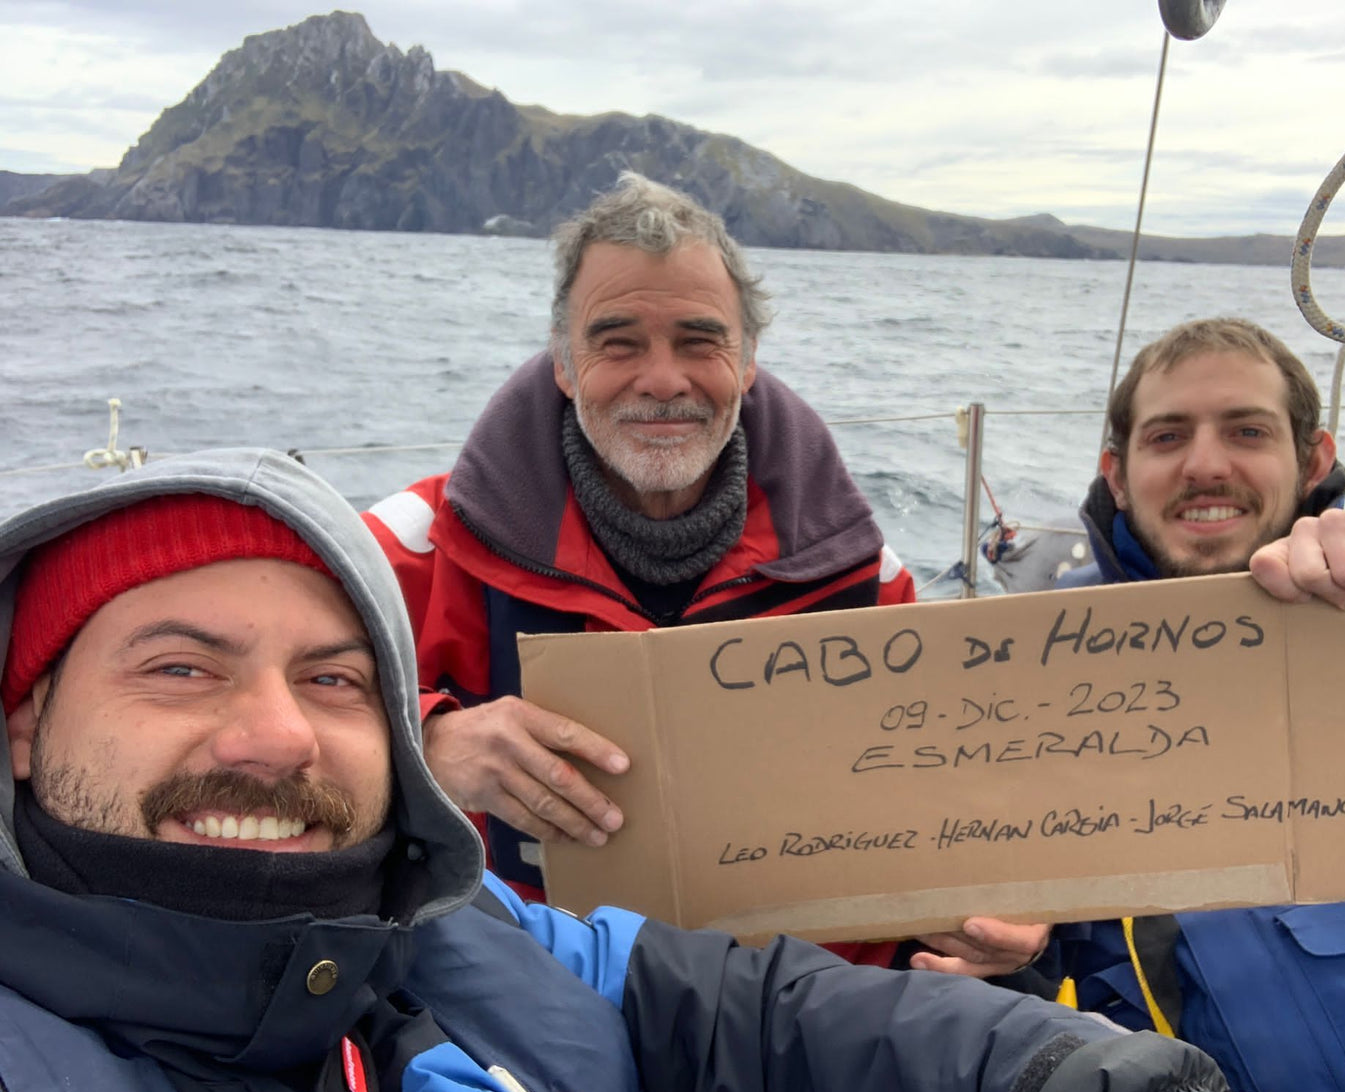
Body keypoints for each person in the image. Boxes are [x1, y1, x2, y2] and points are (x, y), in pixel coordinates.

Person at [0, 446, 1288, 1092]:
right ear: (24, 721)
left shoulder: (473, 931)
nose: (275, 736)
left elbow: (771, 1013)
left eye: (335, 680)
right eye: (179, 669)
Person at [365, 171, 1040, 975]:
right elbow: (263, 732)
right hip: (513, 992)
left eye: (698, 341)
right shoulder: (408, 550)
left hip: (794, 1004)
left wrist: (995, 921)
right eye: (618, 341)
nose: (662, 379)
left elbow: (947, 812)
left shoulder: (863, 581)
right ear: (563, 364)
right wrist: (429, 744)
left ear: (747, 362)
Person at [1037, 317, 1345, 1092]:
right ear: (1118, 475)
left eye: (1247, 431)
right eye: (1167, 436)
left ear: (1313, 459)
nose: (1206, 465)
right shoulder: (1023, 686)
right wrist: (1008, 961)